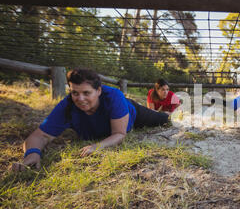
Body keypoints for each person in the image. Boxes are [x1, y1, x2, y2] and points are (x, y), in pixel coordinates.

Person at [11, 69, 169, 171]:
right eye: (75, 93)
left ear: (99, 91)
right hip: (106, 124)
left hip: (133, 114)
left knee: (163, 119)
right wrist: (32, 153)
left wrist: (97, 146)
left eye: (86, 93)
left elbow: (120, 134)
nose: (80, 99)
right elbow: (39, 136)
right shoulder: (67, 105)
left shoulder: (114, 96)